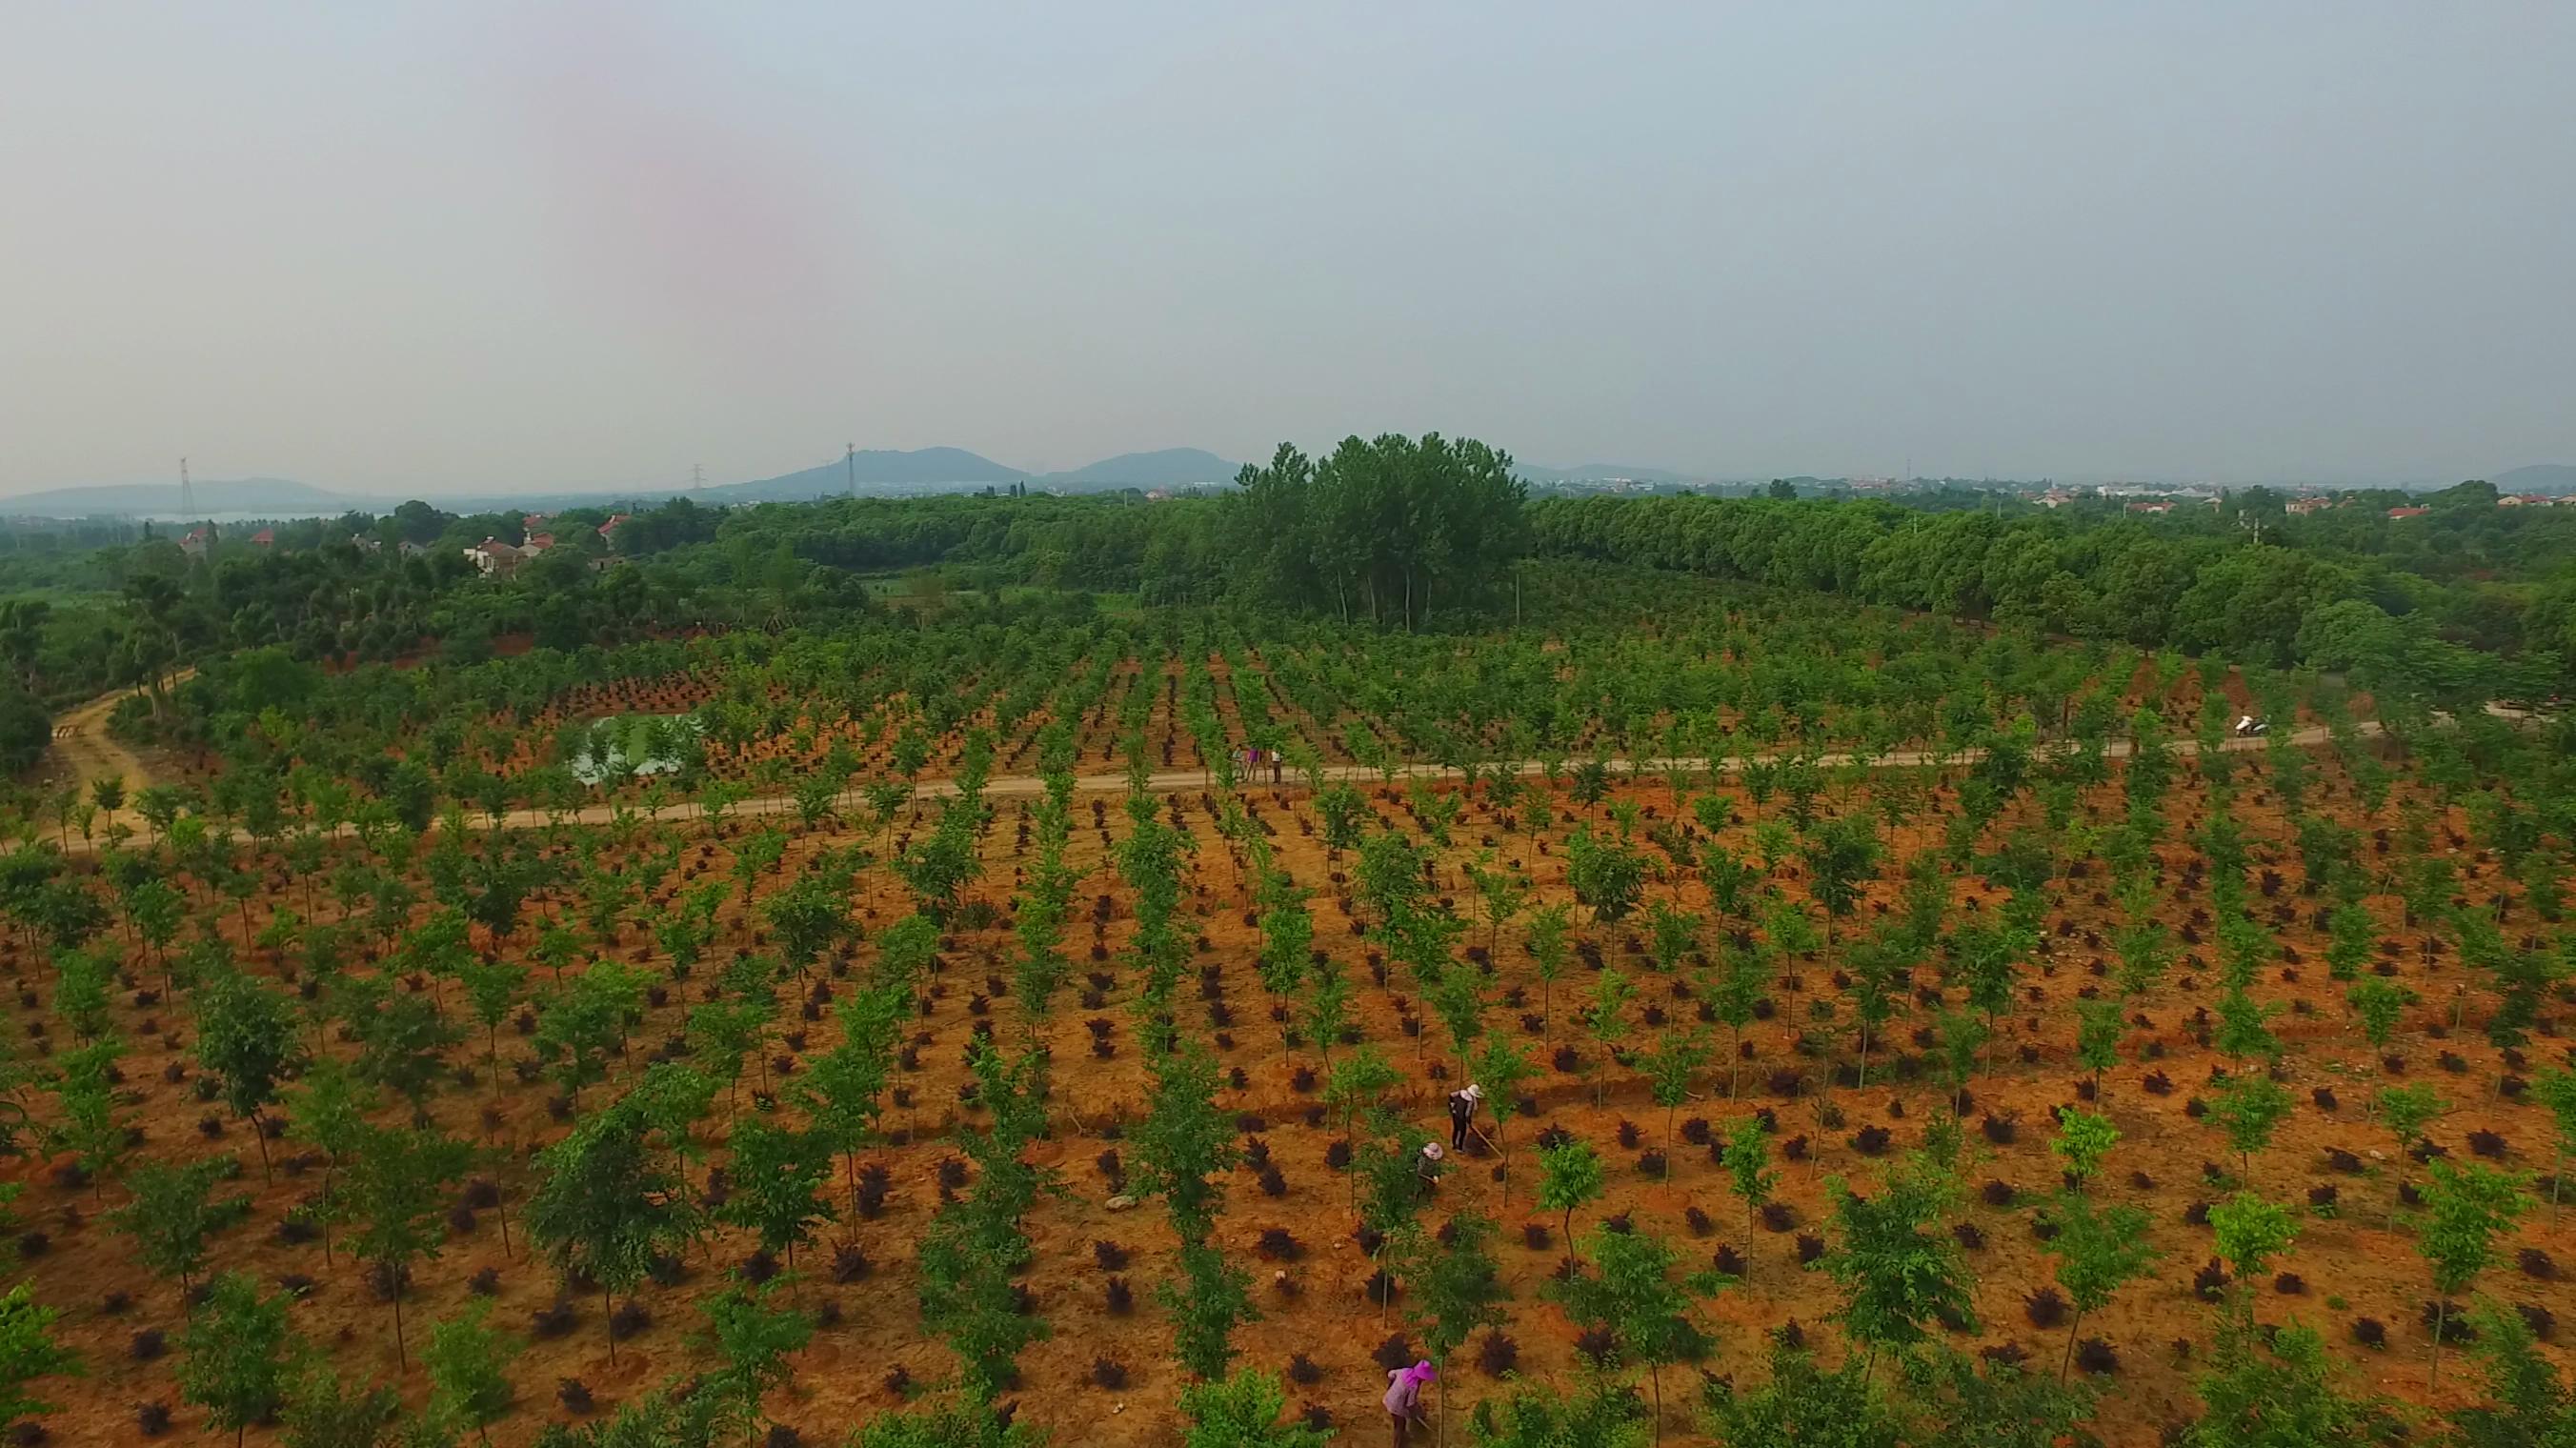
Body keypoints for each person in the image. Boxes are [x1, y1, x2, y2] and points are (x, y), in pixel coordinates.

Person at [1383, 1359, 1435, 1446]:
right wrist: (1414, 1414)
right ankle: (1397, 1445)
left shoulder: (1404, 1371)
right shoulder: (1414, 1386)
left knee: (1396, 1421)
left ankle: (1400, 1436)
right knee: (1401, 1426)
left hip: (1388, 1399)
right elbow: (1410, 1403)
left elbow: (1390, 1374)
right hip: (1397, 1407)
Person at [1446, 1083, 1483, 1150]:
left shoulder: (1461, 1092)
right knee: (1462, 1132)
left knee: (1456, 1129)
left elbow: (1451, 1095)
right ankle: (1460, 1148)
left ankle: (1453, 1144)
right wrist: (1468, 1121)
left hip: (1455, 1113)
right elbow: (1467, 1114)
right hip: (1461, 1117)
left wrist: (1452, 1105)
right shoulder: (1470, 1101)